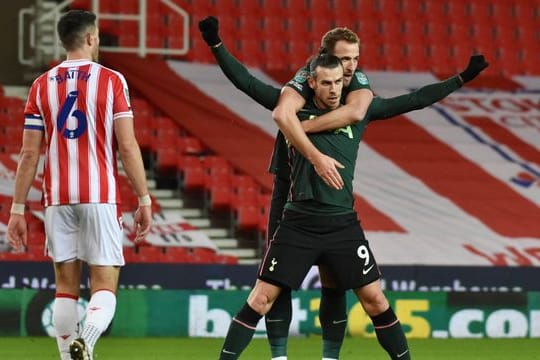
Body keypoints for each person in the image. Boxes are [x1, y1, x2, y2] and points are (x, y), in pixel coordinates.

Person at [200, 17, 488, 360]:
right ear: (318, 74)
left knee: (370, 298)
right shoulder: (292, 106)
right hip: (299, 220)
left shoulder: (360, 107)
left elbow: (415, 99)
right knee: (264, 296)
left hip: (341, 223)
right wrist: (216, 44)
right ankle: (274, 356)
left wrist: (460, 79)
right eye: (334, 74)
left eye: (350, 66)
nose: (342, 79)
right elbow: (246, 82)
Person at [6, 10, 152, 360]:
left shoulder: (41, 85)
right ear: (90, 38)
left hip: (56, 198)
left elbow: (29, 154)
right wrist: (144, 198)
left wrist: (17, 209)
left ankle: (68, 356)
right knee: (104, 284)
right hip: (99, 195)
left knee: (65, 289)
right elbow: (128, 146)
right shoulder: (113, 81)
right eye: (98, 36)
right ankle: (85, 340)